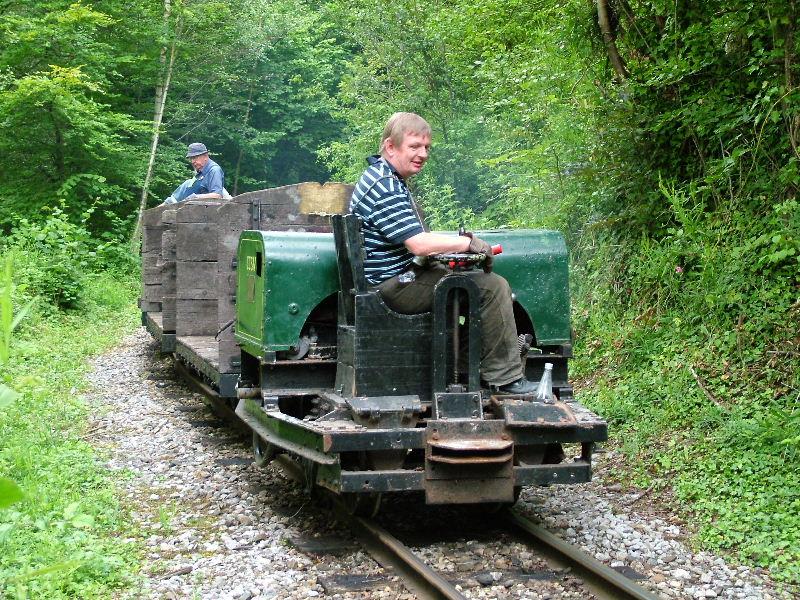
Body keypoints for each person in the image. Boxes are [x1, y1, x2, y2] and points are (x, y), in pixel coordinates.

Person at [349, 112, 537, 394]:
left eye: (426, 148)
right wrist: (467, 244)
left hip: (396, 276)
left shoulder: (385, 177)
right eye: (414, 146)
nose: (422, 154)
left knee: (465, 278)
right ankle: (505, 377)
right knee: (493, 287)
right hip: (391, 285)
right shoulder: (385, 186)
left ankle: (464, 365)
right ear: (390, 147)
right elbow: (419, 245)